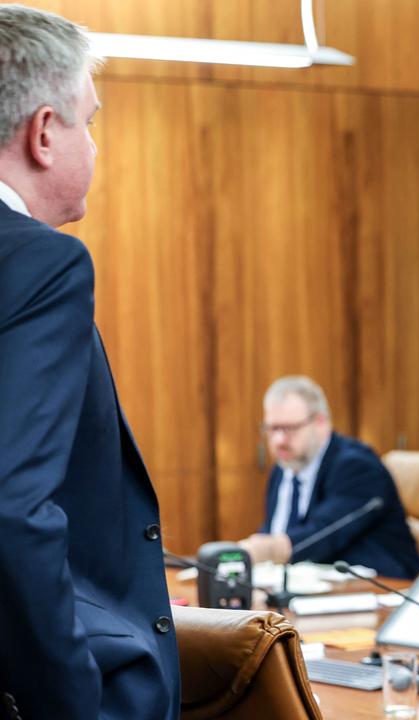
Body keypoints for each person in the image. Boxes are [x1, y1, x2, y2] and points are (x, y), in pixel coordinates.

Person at [0, 5, 181, 718]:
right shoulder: (40, 263)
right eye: (90, 121)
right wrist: (74, 699)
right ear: (45, 132)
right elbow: (10, 507)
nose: (95, 146)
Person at [239, 375, 419, 579]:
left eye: (289, 429)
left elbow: (323, 535)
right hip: (303, 589)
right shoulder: (284, 468)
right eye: (272, 429)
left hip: (382, 587)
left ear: (320, 422)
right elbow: (274, 530)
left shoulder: (358, 466)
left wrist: (268, 550)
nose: (279, 440)